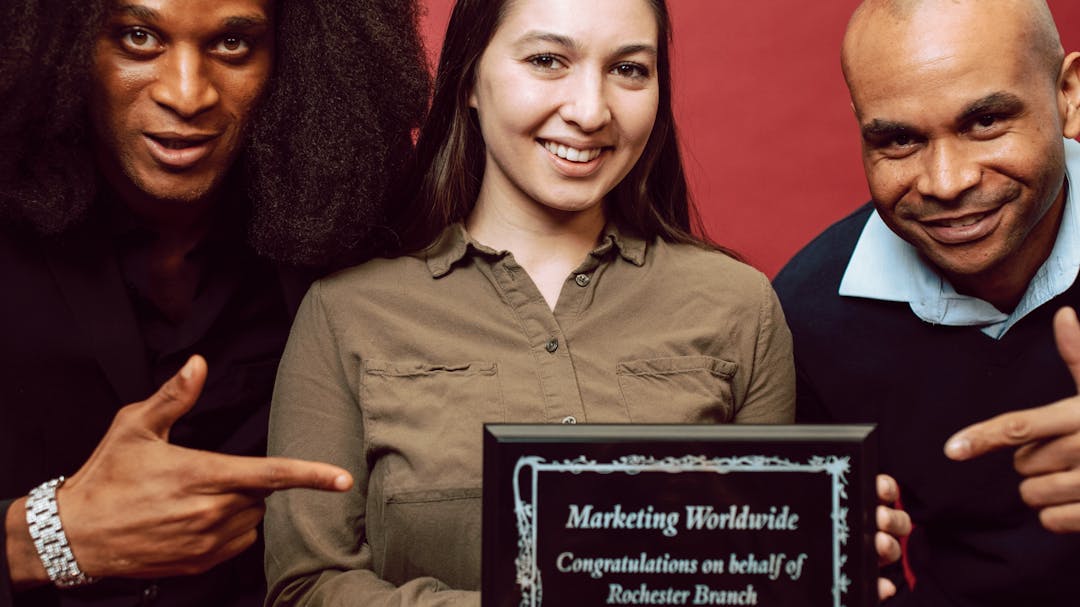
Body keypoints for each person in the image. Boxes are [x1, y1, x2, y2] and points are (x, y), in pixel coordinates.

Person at [262, 0, 800, 603]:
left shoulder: (739, 306)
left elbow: (766, 569)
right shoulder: (346, 313)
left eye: (629, 70)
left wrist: (830, 550)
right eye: (548, 60)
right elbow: (305, 588)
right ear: (468, 80)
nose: (591, 111)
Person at [0, 1, 429, 605]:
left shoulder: (359, 227)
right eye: (139, 38)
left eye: (232, 45)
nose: (186, 93)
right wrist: (40, 538)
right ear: (62, 44)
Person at [773, 0, 1080, 604]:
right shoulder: (807, 317)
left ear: (1070, 94)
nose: (946, 181)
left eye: (985, 122)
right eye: (899, 140)